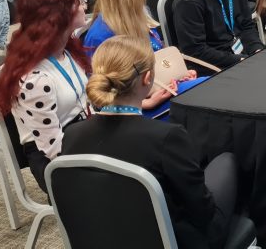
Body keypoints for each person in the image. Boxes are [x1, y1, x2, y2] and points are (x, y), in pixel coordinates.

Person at [62, 36, 239, 249]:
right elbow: (202, 210)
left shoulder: (71, 135)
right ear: (147, 78)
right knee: (227, 160)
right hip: (175, 241)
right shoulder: (166, 137)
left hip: (100, 238)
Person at [0, 0, 90, 193]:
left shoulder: (66, 50)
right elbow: (54, 149)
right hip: (55, 161)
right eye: (79, 3)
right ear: (58, 16)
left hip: (80, 136)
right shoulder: (35, 80)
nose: (85, 7)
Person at [83, 0, 206, 119]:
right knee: (208, 94)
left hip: (163, 90)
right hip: (136, 111)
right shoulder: (100, 36)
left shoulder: (139, 16)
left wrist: (178, 75)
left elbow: (157, 60)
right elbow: (101, 96)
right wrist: (145, 103)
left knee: (209, 88)